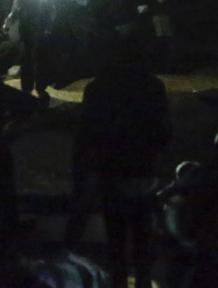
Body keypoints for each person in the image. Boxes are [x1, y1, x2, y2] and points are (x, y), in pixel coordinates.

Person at [67, 34, 171, 288]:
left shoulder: (98, 88)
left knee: (116, 237)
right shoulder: (152, 86)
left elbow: (85, 134)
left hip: (111, 171)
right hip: (142, 170)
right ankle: (143, 280)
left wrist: (84, 173)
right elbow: (164, 132)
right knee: (142, 234)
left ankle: (120, 282)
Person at [2, 0, 55, 105]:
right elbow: (15, 9)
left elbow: (50, 9)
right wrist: (8, 23)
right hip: (26, 29)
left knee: (37, 58)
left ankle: (39, 88)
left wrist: (48, 26)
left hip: (38, 29)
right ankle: (28, 88)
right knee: (28, 59)